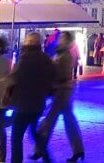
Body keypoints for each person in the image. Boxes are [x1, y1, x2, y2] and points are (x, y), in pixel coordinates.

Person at [7, 32, 56, 163]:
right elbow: (52, 80)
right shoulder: (46, 59)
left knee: (17, 137)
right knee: (35, 133)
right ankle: (47, 159)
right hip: (38, 103)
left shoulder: (24, 58)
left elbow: (15, 78)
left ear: (28, 43)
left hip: (22, 104)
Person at [37, 30, 84, 163]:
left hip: (61, 91)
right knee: (67, 122)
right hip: (62, 91)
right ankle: (78, 150)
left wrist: (50, 74)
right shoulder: (60, 52)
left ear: (68, 41)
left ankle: (39, 149)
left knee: (49, 120)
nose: (60, 39)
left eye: (63, 38)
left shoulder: (65, 54)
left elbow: (62, 74)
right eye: (61, 37)